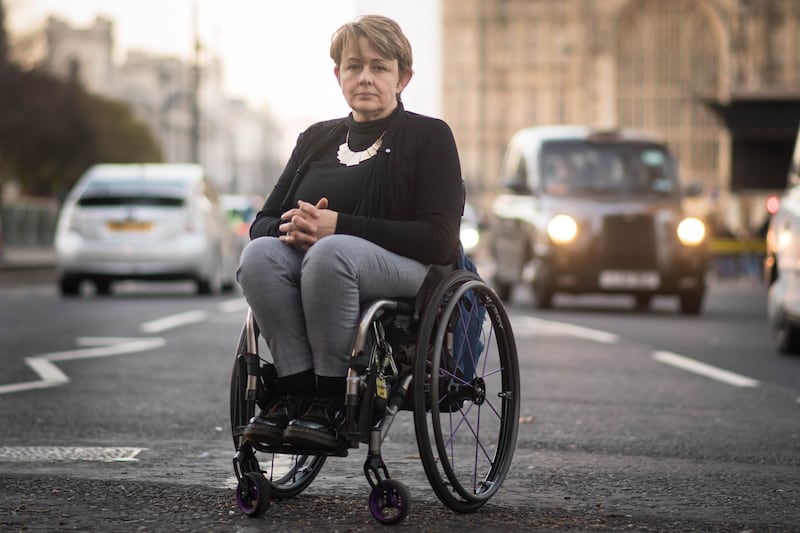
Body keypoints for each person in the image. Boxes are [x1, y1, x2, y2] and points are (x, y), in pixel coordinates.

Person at [236, 15, 464, 450]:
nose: (365, 78)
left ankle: (332, 400)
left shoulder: (429, 136)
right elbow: (261, 222)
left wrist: (337, 227)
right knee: (260, 256)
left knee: (332, 252)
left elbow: (438, 239)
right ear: (337, 74)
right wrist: (296, 227)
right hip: (320, 257)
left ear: (403, 78)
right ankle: (295, 392)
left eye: (379, 67)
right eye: (354, 66)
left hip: (408, 268)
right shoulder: (316, 138)